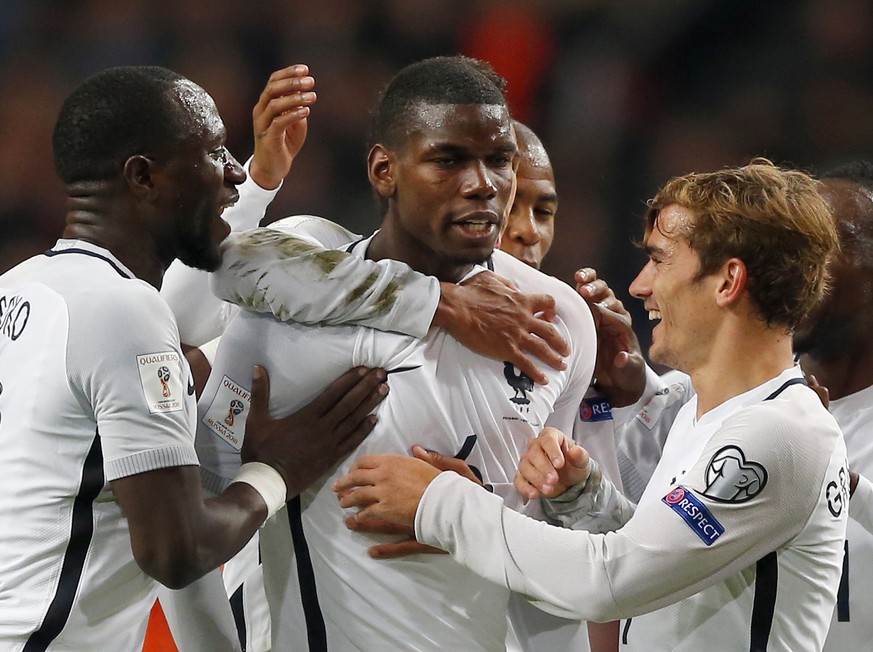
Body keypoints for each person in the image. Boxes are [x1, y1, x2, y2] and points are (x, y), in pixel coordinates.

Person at [335, 159, 848, 652]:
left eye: (661, 260)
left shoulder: (778, 433)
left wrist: (439, 503)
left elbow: (610, 582)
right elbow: (662, 568)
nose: (640, 284)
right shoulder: (714, 415)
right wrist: (583, 497)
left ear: (728, 281)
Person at [196, 55, 597, 650]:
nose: (484, 184)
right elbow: (197, 521)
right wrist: (268, 467)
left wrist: (470, 512)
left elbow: (549, 527)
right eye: (449, 159)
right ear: (384, 170)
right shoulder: (284, 318)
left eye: (499, 160)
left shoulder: (557, 319)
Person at [0, 66, 394, 651]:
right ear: (142, 177)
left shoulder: (23, 287)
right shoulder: (122, 311)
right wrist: (278, 468)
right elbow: (176, 551)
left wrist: (263, 182)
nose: (234, 172)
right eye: (213, 153)